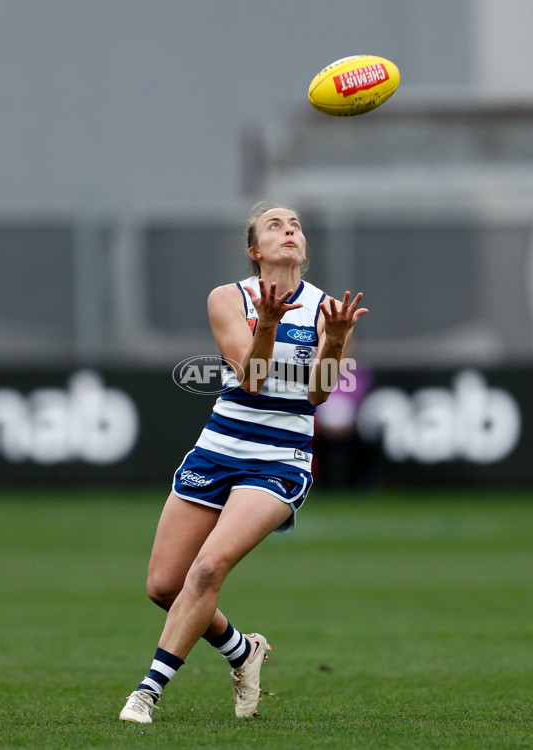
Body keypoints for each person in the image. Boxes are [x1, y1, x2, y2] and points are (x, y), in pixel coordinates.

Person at [119, 202, 368, 724]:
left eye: (295, 225)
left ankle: (147, 692)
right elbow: (251, 380)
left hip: (279, 460)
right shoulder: (228, 299)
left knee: (208, 569)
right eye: (274, 226)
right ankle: (241, 650)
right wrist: (268, 324)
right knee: (164, 586)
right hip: (217, 450)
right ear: (256, 251)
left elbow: (320, 394)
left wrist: (339, 337)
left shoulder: (327, 307)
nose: (289, 231)